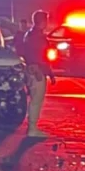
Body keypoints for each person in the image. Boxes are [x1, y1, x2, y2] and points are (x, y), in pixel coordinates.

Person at [21, 10, 56, 138]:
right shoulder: (37, 37)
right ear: (43, 22)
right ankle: (32, 128)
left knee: (34, 99)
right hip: (37, 71)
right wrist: (47, 71)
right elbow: (41, 56)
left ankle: (32, 127)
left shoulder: (29, 35)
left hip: (33, 70)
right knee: (36, 100)